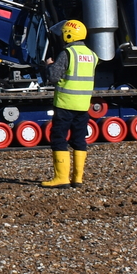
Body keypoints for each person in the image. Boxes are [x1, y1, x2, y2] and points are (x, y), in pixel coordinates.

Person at [42, 19, 96, 188]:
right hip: (83, 106)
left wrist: (49, 66)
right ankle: (77, 179)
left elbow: (53, 77)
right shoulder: (92, 55)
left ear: (68, 34)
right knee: (79, 140)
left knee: (59, 138)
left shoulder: (68, 54)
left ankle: (61, 178)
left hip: (65, 105)